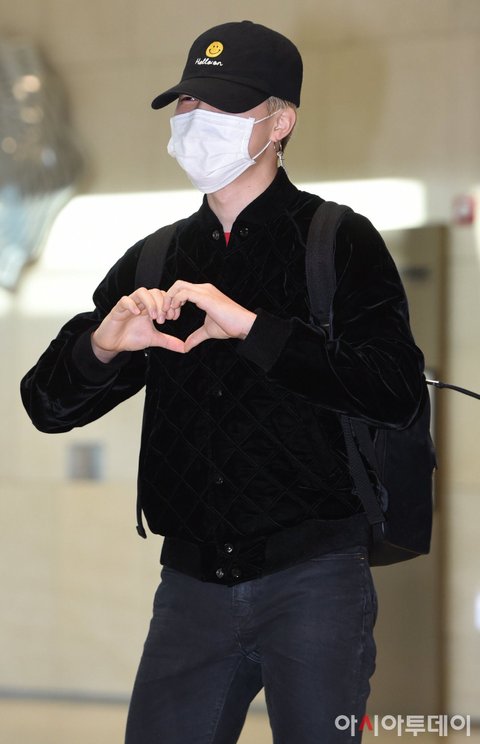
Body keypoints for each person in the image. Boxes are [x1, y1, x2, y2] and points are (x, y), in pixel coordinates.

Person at [20, 20, 425, 744]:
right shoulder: (154, 260)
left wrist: (255, 328)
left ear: (280, 122)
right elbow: (45, 405)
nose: (195, 119)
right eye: (187, 103)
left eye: (221, 103)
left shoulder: (337, 240)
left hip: (315, 581)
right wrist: (101, 347)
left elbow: (394, 391)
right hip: (189, 591)